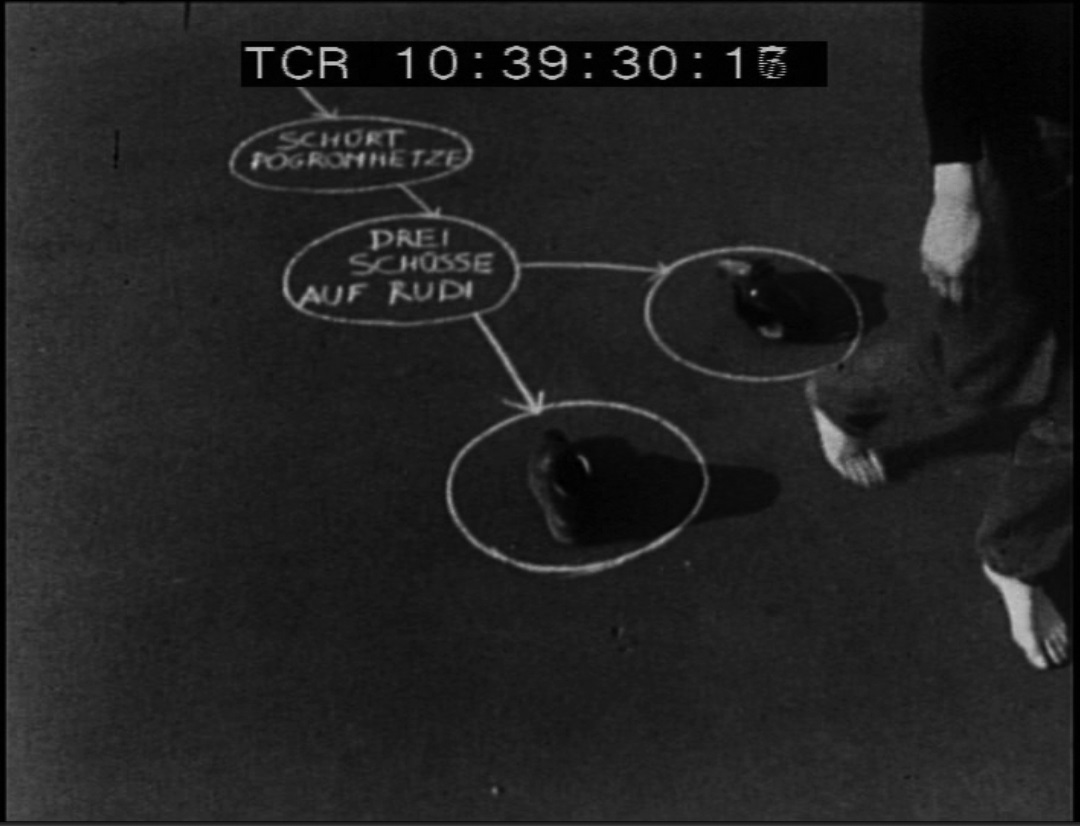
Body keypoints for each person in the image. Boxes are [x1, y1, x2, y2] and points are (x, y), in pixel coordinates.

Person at [806, 4, 1072, 669]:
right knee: (977, 368)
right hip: (1046, 144)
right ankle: (845, 397)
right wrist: (955, 190)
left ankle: (1014, 556)